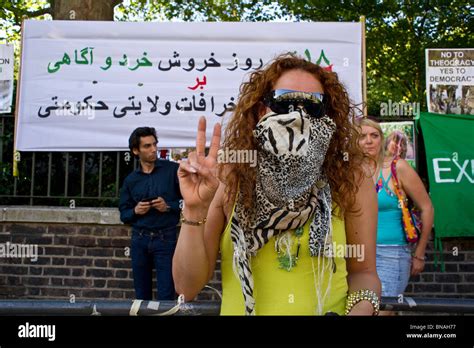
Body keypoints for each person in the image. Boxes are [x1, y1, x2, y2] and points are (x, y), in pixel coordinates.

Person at [173, 54, 381, 315]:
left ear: (328, 115)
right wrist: (194, 209)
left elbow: (364, 274)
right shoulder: (229, 178)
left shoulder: (351, 179)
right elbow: (186, 287)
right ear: (262, 110)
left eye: (313, 105)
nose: (298, 115)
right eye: (284, 102)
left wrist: (360, 310)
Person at [357, 118, 434, 304]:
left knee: (384, 308)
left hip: (392, 253)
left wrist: (419, 254)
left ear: (381, 139)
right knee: (365, 308)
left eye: (374, 135)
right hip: (358, 254)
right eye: (362, 136)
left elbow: (427, 207)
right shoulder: (353, 171)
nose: (368, 140)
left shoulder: (397, 167)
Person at [119, 127, 182, 300]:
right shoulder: (131, 180)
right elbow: (124, 214)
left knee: (166, 293)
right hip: (139, 239)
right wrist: (135, 211)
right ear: (135, 151)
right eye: (147, 146)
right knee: (141, 294)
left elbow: (189, 202)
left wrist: (168, 206)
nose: (153, 149)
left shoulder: (173, 170)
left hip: (166, 238)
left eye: (155, 144)